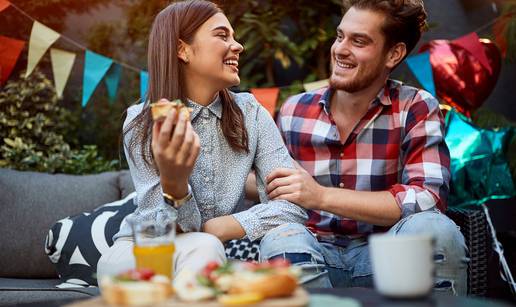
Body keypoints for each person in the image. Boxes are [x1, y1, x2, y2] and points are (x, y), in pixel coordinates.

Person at [257, 0, 468, 295]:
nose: (340, 49)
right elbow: (269, 185)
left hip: (390, 256)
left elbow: (427, 199)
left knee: (437, 230)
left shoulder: (414, 106)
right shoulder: (294, 110)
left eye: (359, 41)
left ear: (393, 54)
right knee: (280, 238)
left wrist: (321, 196)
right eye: (340, 36)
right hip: (312, 252)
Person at [97, 0, 307, 278]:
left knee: (208, 248)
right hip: (142, 249)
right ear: (182, 49)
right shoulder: (142, 122)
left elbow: (292, 207)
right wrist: (175, 185)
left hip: (211, 252)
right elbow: (157, 225)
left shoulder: (252, 113)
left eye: (234, 36)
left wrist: (219, 227)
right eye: (222, 35)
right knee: (205, 249)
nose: (238, 46)